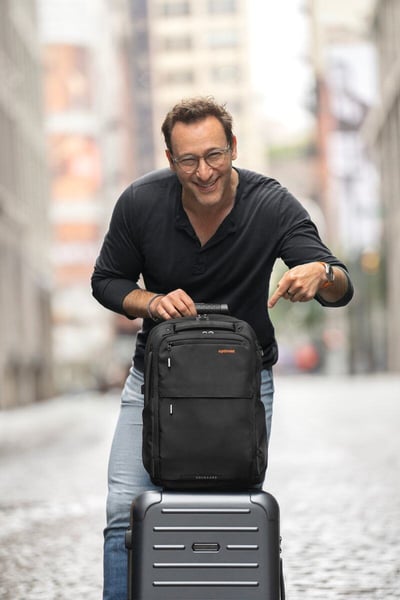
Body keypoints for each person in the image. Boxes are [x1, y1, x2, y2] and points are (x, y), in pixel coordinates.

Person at [91, 96, 354, 599]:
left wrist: (320, 273)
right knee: (124, 510)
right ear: (170, 160)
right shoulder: (140, 202)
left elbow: (340, 286)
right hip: (154, 382)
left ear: (233, 146)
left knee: (235, 508)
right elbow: (106, 281)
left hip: (243, 385)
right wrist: (151, 301)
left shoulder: (271, 203)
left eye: (214, 155)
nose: (204, 171)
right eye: (188, 160)